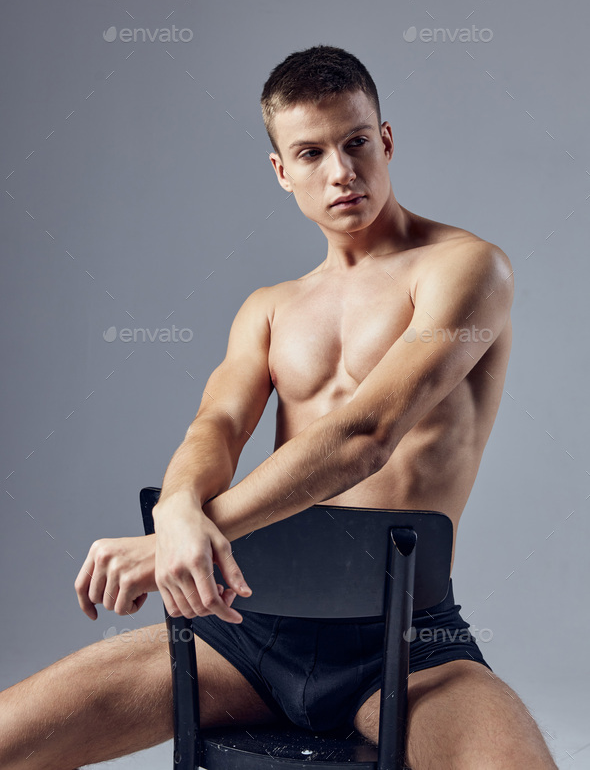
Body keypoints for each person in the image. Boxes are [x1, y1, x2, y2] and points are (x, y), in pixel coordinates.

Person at [0, 45, 557, 769]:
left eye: (357, 142)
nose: (342, 171)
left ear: (385, 140)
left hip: (407, 644)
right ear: (281, 170)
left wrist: (174, 540)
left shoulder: (468, 267)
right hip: (247, 633)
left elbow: (368, 433)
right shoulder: (269, 309)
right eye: (312, 152)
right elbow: (216, 427)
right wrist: (175, 513)